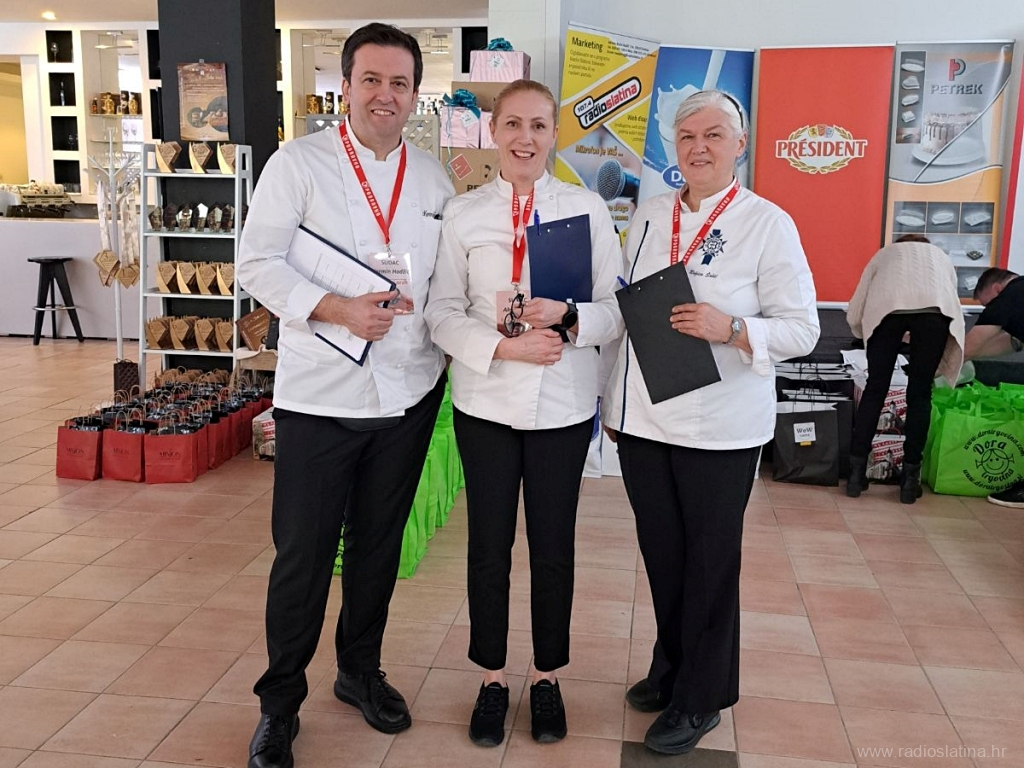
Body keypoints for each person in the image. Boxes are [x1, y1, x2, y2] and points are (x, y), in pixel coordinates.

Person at [236, 23, 454, 768]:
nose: (385, 95)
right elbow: (255, 262)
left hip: (408, 395)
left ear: (414, 94)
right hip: (320, 397)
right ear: (346, 86)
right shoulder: (297, 164)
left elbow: (445, 285)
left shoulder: (435, 181)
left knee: (377, 547)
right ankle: (279, 705)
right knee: (302, 556)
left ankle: (359, 671)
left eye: (399, 83)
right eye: (371, 80)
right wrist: (335, 309)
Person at [602, 89, 819, 755]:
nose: (699, 147)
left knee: (709, 565)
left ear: (739, 144)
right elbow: (628, 309)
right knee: (663, 556)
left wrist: (735, 329)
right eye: (687, 136)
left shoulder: (768, 223)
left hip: (721, 427)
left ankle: (702, 697)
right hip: (645, 420)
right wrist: (613, 402)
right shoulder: (650, 213)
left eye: (714, 135)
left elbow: (803, 329)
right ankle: (671, 668)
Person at [424, 79, 623, 747]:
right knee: (488, 547)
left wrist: (569, 316)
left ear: (554, 134)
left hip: (562, 405)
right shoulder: (465, 214)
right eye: (513, 123)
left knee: (553, 547)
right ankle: (491, 677)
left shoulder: (586, 209)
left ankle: (545, 677)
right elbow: (441, 313)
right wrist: (504, 347)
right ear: (494, 131)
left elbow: (616, 311)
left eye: (539, 125)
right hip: (484, 403)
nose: (525, 138)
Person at [845, 235, 965, 504]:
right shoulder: (941, 257)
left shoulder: (885, 254)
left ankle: (856, 475)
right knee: (920, 394)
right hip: (934, 314)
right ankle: (910, 481)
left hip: (887, 314)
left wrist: (861, 332)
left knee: (875, 390)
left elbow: (858, 304)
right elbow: (951, 298)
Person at [966, 268, 1024, 507]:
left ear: (996, 289)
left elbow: (970, 346)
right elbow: (1012, 342)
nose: (987, 310)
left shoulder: (1008, 297)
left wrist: (930, 367)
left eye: (986, 304)